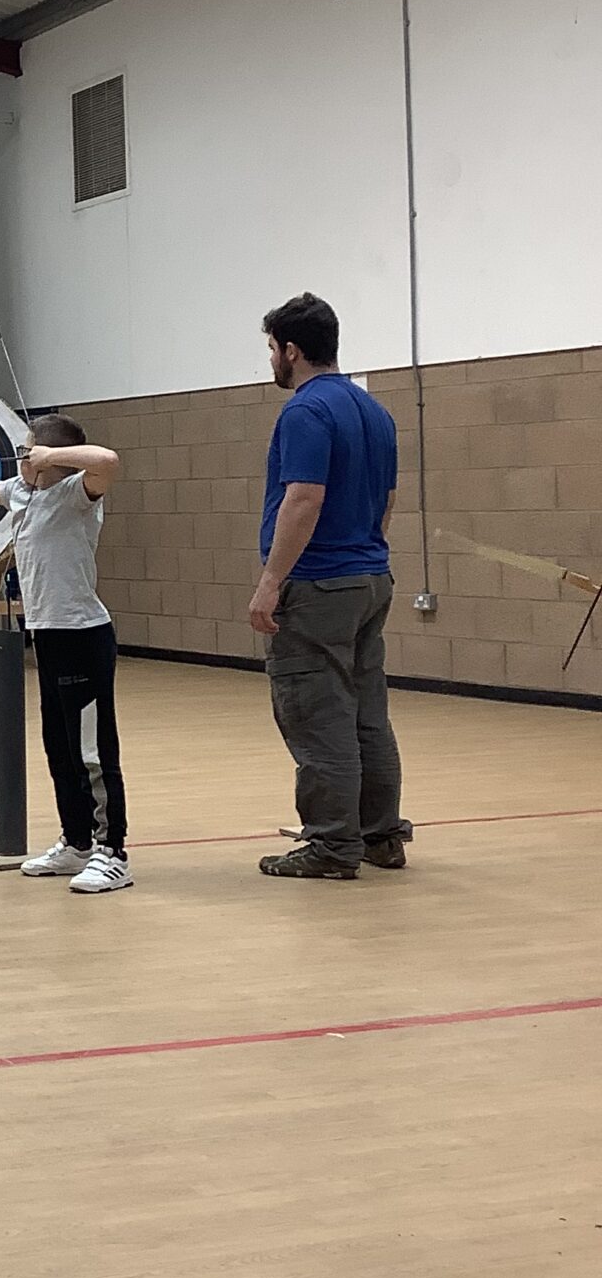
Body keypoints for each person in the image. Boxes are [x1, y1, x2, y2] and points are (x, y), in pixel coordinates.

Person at [249, 293, 406, 880]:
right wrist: (365, 553)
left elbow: (304, 498)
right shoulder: (375, 411)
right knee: (367, 715)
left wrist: (271, 582)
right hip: (369, 578)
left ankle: (333, 846)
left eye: (272, 348)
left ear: (292, 351)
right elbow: (386, 499)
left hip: (317, 585)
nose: (271, 359)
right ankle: (379, 836)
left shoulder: (305, 411)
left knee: (318, 717)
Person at [0, 413, 131, 896]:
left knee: (91, 750)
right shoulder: (23, 492)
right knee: (59, 747)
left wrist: (50, 455)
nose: (21, 457)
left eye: (27, 451)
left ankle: (112, 851)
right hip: (49, 636)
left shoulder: (76, 494)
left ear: (48, 460)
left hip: (83, 635)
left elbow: (108, 460)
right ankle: (77, 842)